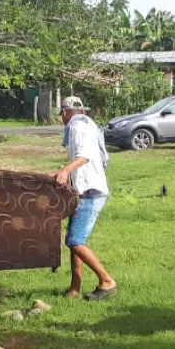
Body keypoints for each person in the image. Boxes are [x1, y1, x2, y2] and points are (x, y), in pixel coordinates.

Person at [54, 96, 117, 301]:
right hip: (84, 191)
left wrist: (65, 171)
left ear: (65, 113)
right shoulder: (87, 124)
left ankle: (107, 281)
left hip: (91, 192)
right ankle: (74, 288)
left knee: (75, 240)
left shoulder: (77, 127)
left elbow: (85, 155)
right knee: (74, 239)